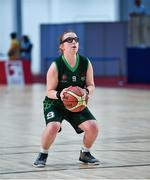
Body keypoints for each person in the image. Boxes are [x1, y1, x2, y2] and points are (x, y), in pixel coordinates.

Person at [33, 31, 100, 167]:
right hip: (55, 103)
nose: (73, 42)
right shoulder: (56, 65)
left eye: (76, 39)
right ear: (62, 46)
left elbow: (91, 85)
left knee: (93, 127)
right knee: (53, 127)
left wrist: (86, 92)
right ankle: (43, 154)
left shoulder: (85, 62)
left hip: (76, 103)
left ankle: (85, 153)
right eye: (69, 40)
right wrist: (60, 94)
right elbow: (49, 91)